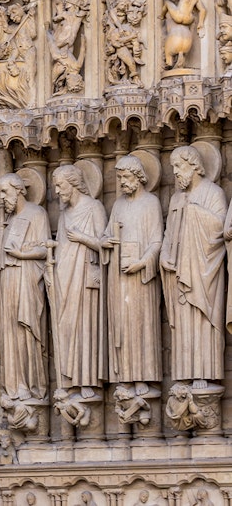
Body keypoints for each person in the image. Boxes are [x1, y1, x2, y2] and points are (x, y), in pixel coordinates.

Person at [161, 146, 227, 388]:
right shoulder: (177, 198)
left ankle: (204, 372)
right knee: (183, 324)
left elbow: (221, 228)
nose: (176, 173)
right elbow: (169, 232)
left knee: (202, 320)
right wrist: (165, 255)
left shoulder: (213, 192)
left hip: (204, 271)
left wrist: (193, 212)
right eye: (173, 168)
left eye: (179, 166)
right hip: (178, 272)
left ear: (194, 166)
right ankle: (185, 373)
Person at [102, 156, 162, 394]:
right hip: (118, 275)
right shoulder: (117, 205)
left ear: (138, 177)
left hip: (140, 275)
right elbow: (106, 235)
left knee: (141, 325)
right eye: (119, 178)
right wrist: (105, 241)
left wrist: (142, 263)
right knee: (122, 326)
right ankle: (125, 375)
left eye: (126, 177)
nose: (122, 183)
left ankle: (143, 378)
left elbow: (157, 240)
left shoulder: (151, 203)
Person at [51, 165, 107, 397]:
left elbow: (106, 244)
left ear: (73, 183)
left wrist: (82, 238)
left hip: (84, 277)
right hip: (64, 277)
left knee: (85, 327)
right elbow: (62, 247)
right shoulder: (64, 215)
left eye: (60, 185)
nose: (56, 191)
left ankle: (87, 381)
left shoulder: (94, 207)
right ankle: (68, 381)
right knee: (66, 328)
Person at [0, 173, 49, 400]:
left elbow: (46, 249)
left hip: (27, 280)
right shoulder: (7, 222)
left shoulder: (37, 214)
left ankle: (30, 385)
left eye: (5, 191)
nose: (1, 197)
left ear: (19, 190)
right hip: (8, 280)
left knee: (25, 330)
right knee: (10, 333)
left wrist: (21, 254)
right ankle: (14, 385)